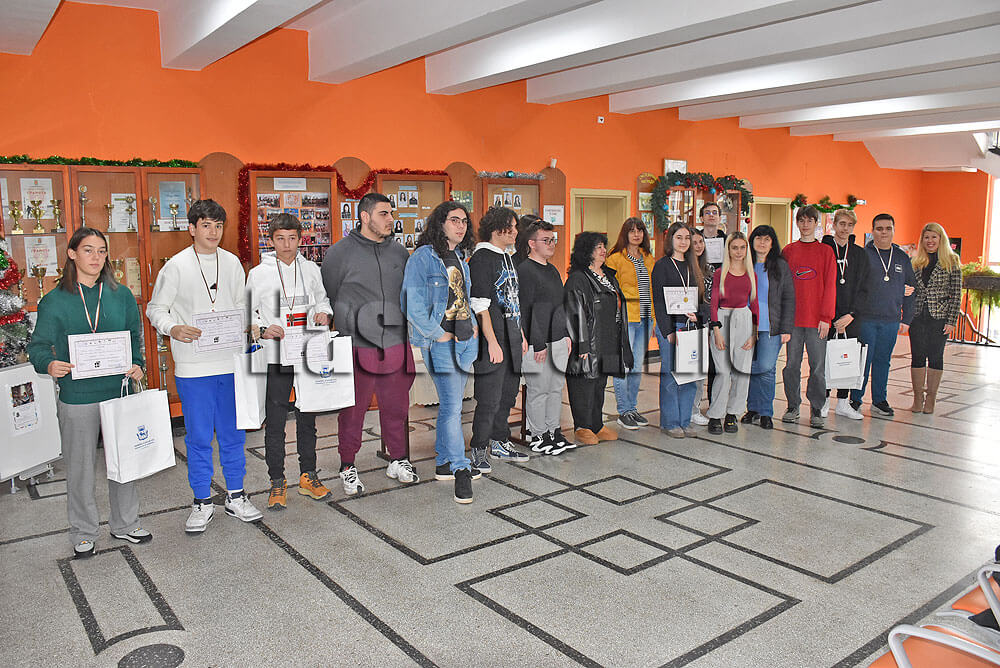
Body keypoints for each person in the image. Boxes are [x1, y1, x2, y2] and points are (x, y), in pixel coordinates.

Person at [29, 227, 148, 557]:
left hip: (118, 393)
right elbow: (38, 346)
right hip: (77, 396)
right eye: (88, 250)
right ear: (72, 254)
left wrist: (138, 364)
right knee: (80, 467)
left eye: (101, 251)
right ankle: (83, 531)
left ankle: (126, 523)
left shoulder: (121, 295)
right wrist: (49, 364)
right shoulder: (54, 301)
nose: (96, 257)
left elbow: (134, 339)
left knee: (123, 462)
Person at [147, 199, 263, 532]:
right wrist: (173, 328)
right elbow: (156, 309)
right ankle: (201, 500)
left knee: (233, 434)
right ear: (192, 228)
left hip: (230, 364)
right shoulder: (176, 266)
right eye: (206, 225)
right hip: (194, 368)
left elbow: (243, 304)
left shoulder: (232, 263)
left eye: (218, 226)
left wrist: (252, 322)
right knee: (198, 437)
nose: (213, 232)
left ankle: (236, 495)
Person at [321, 192, 417, 495]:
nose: (391, 219)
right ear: (365, 216)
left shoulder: (399, 252)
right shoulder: (339, 253)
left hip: (395, 342)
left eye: (391, 213)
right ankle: (347, 465)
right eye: (384, 214)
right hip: (357, 344)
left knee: (397, 406)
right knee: (353, 409)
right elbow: (331, 293)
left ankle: (397, 459)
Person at [246, 213, 334, 511]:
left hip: (306, 352)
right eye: (280, 239)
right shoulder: (258, 274)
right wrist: (262, 328)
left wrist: (323, 313)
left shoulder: (310, 269)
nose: (287, 244)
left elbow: (323, 300)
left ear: (300, 239)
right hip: (276, 355)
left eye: (292, 238)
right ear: (271, 240)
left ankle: (308, 475)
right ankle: (277, 480)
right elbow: (248, 313)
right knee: (276, 421)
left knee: (308, 417)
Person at [401, 202, 482, 503]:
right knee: (452, 405)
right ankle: (460, 467)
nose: (461, 226)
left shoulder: (461, 257)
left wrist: (473, 326)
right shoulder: (423, 257)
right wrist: (437, 333)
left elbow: (463, 297)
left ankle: (444, 461)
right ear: (440, 223)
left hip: (465, 340)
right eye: (454, 220)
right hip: (441, 342)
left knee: (452, 406)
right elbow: (411, 303)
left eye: (464, 221)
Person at [469, 207, 530, 470]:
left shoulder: (507, 257)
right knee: (489, 398)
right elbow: (480, 306)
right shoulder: (482, 258)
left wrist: (521, 334)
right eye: (511, 227)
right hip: (492, 340)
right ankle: (479, 448)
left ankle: (499, 441)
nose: (516, 232)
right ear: (496, 229)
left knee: (507, 395)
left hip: (512, 337)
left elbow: (514, 300)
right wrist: (492, 342)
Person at [564, 232, 632, 445]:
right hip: (588, 341)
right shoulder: (578, 278)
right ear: (587, 251)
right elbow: (574, 313)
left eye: (604, 246)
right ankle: (582, 426)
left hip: (608, 339)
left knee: (600, 384)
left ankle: (596, 424)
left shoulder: (608, 275)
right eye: (598, 247)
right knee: (584, 384)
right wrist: (582, 344)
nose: (603, 250)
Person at [850, 213, 917, 417]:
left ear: (894, 230)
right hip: (866, 319)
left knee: (883, 361)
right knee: (863, 360)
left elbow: (911, 288)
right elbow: (854, 287)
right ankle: (855, 399)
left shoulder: (902, 257)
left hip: (891, 320)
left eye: (888, 228)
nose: (884, 233)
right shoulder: (864, 255)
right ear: (872, 231)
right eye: (879, 229)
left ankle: (879, 400)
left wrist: (906, 319)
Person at [517, 219, 574, 455]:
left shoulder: (552, 270)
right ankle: (538, 435)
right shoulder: (525, 271)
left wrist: (566, 335)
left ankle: (553, 431)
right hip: (537, 343)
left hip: (558, 339)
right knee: (538, 390)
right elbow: (526, 310)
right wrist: (538, 343)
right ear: (532, 243)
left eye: (553, 240)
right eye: (546, 240)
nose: (551, 244)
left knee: (556, 388)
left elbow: (560, 306)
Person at [781, 205, 837, 428]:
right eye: (801, 221)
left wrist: (826, 317)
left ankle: (816, 407)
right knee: (791, 365)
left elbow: (830, 286)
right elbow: (782, 287)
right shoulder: (788, 251)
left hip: (817, 321)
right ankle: (792, 405)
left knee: (817, 368)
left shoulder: (826, 252)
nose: (805, 225)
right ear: (797, 223)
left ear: (816, 223)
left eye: (809, 221)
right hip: (793, 321)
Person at [651, 223, 704, 438]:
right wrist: (667, 331)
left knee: (690, 377)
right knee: (671, 377)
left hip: (691, 328)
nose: (683, 242)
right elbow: (658, 301)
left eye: (687, 238)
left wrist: (698, 316)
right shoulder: (662, 265)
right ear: (670, 240)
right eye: (679, 237)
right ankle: (670, 422)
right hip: (672, 328)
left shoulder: (693, 265)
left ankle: (685, 421)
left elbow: (701, 299)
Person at [604, 217, 655, 430]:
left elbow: (652, 288)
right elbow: (609, 291)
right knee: (623, 366)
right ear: (625, 234)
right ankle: (624, 410)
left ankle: (632, 408)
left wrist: (653, 317)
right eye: (632, 230)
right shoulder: (615, 259)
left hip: (645, 318)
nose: (636, 234)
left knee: (636, 367)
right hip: (626, 318)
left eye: (640, 230)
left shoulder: (648, 258)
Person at [743, 225, 795, 429]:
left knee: (766, 367)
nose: (762, 242)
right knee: (753, 368)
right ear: (752, 241)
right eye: (758, 238)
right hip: (747, 326)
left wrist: (786, 328)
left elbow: (789, 297)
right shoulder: (744, 263)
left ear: (772, 243)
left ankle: (766, 411)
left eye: (767, 239)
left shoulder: (780, 266)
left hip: (771, 326)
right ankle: (753, 409)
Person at [706, 232, 758, 434]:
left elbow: (755, 305)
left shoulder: (750, 273)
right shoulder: (720, 273)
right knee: (723, 372)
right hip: (723, 319)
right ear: (728, 250)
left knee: (742, 373)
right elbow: (713, 304)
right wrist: (716, 330)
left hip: (744, 319)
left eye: (742, 247)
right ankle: (715, 415)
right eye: (734, 247)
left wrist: (754, 333)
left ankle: (732, 414)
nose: (738, 252)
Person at [820, 209, 870, 420]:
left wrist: (852, 314)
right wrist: (826, 316)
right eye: (841, 224)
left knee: (847, 359)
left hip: (850, 317)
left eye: (849, 225)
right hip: (827, 316)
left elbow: (865, 287)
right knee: (824, 359)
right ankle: (822, 401)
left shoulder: (859, 254)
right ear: (834, 224)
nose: (845, 228)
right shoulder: (823, 249)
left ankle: (842, 402)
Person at [909, 222, 962, 414]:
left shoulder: (952, 261)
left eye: (934, 237)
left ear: (941, 239)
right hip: (917, 317)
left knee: (935, 356)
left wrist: (951, 320)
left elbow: (956, 293)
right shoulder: (916, 262)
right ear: (922, 240)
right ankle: (918, 398)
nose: (930, 241)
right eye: (926, 237)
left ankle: (931, 399)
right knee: (917, 356)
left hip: (939, 317)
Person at [688, 227, 713, 426]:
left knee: (699, 372)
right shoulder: (684, 268)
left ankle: (694, 409)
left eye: (700, 242)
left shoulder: (709, 269)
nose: (698, 246)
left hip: (705, 325)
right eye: (694, 242)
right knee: (687, 371)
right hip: (687, 325)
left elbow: (711, 300)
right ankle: (685, 409)